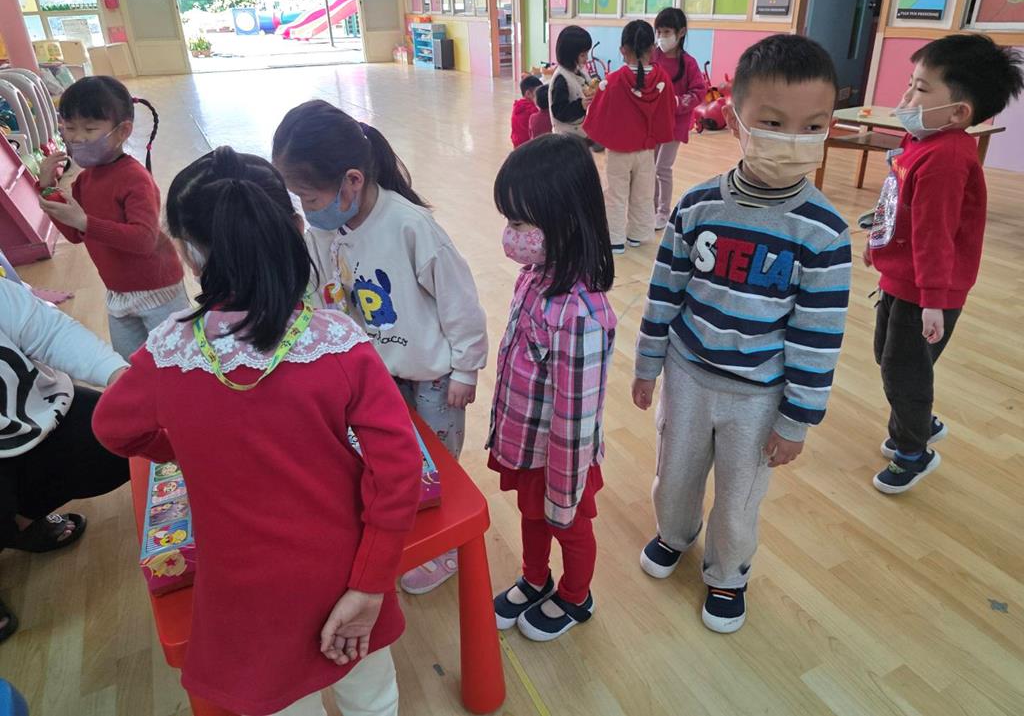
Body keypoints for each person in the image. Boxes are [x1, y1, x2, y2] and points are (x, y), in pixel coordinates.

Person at [92, 147, 422, 716]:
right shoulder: (338, 342)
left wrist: (182, 448)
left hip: (243, 589)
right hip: (347, 568)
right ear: (293, 228)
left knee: (281, 703)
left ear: (189, 253)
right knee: (372, 697)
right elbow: (398, 470)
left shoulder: (168, 352)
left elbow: (112, 428)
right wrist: (369, 586)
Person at [632, 35, 850, 633]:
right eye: (774, 123)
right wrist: (648, 363)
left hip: (759, 395)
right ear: (735, 121)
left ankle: (728, 573)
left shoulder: (824, 231)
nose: (793, 139)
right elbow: (664, 290)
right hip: (688, 373)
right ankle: (675, 534)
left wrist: (796, 419)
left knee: (739, 494)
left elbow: (818, 335)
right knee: (675, 472)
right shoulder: (698, 205)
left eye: (812, 126)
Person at [272, 100, 487, 596]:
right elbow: (319, 290)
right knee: (394, 457)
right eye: (298, 198)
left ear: (352, 180)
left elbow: (460, 303)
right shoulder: (325, 230)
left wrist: (465, 369)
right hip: (375, 373)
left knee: (440, 463)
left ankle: (445, 546)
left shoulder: (410, 226)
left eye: (309, 197)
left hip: (432, 377)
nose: (306, 209)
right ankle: (403, 521)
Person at [865, 34, 1023, 494]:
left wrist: (934, 300)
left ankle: (913, 451)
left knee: (903, 371)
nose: (906, 97)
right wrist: (877, 243)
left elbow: (936, 235)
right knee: (889, 356)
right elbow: (896, 202)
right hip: (902, 277)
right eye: (910, 83)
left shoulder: (946, 159)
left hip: (929, 289)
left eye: (920, 88)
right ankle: (922, 420)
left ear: (958, 113)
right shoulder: (919, 140)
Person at [489, 134, 616, 642]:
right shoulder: (533, 276)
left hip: (561, 459)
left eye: (520, 223)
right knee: (530, 516)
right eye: (509, 221)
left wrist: (564, 491)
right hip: (527, 445)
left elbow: (576, 417)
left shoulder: (581, 314)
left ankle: (575, 595)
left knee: (568, 525)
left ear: (564, 220)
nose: (510, 235)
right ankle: (535, 578)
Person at [0, 275, 128, 644]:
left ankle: (19, 523)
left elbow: (47, 332)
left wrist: (119, 375)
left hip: (28, 418)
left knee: (120, 439)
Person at [35, 76, 189, 361]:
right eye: (69, 127)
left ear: (122, 131)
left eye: (89, 129)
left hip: (158, 289)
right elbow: (74, 234)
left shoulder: (135, 179)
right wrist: (47, 188)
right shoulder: (84, 181)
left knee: (176, 359)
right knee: (129, 362)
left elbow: (144, 239)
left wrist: (85, 222)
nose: (76, 138)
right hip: (117, 292)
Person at [583, 19, 675, 254]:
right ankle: (637, 235)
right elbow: (667, 113)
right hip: (646, 150)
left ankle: (615, 239)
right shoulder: (662, 79)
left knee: (615, 195)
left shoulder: (613, 80)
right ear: (652, 49)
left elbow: (598, 114)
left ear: (623, 50)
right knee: (643, 194)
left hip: (618, 151)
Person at [651, 7, 708, 231]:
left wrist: (677, 102)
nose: (662, 37)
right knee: (650, 167)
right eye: (659, 32)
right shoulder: (653, 56)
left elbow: (699, 91)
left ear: (681, 32)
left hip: (675, 124)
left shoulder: (689, 63)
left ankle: (663, 212)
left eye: (667, 32)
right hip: (653, 123)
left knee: (662, 168)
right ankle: (651, 208)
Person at [549, 25, 594, 140]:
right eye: (583, 55)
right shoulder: (561, 79)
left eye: (587, 53)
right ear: (569, 56)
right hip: (565, 138)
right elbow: (559, 112)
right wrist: (581, 105)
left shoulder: (579, 71)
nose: (587, 58)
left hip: (581, 133)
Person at [512, 74, 542, 148]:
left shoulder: (517, 106)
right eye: (538, 92)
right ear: (528, 94)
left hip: (517, 145)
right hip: (529, 147)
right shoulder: (533, 110)